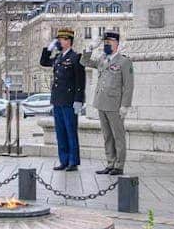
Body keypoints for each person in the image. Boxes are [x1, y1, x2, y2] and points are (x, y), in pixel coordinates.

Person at [82, 30, 134, 176]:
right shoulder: (102, 59)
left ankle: (119, 165)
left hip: (115, 105)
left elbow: (129, 86)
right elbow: (84, 62)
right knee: (107, 136)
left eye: (109, 43)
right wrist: (90, 48)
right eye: (105, 43)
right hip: (101, 103)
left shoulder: (124, 62)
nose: (106, 45)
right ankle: (110, 163)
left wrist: (125, 105)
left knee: (118, 136)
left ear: (116, 44)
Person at [40, 28, 86, 171]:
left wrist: (79, 100)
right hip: (57, 100)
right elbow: (43, 62)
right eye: (58, 40)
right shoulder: (58, 57)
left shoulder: (76, 57)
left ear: (68, 41)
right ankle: (64, 160)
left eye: (61, 40)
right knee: (60, 132)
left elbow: (80, 81)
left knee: (70, 132)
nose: (59, 42)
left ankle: (73, 161)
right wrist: (49, 48)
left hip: (69, 101)